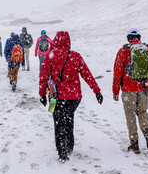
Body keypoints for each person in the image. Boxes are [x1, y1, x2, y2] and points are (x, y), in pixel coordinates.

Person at [39, 31, 103, 163]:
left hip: (56, 96)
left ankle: (61, 150)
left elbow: (44, 75)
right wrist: (96, 91)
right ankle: (69, 145)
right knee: (68, 119)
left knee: (59, 122)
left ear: (55, 41)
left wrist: (42, 94)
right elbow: (87, 74)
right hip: (74, 97)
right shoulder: (75, 56)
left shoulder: (51, 56)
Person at [112, 28, 148, 154]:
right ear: (139, 37)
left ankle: (134, 143)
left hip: (129, 89)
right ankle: (147, 133)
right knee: (142, 112)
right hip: (146, 87)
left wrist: (115, 91)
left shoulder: (124, 51)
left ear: (128, 38)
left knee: (130, 114)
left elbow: (118, 72)